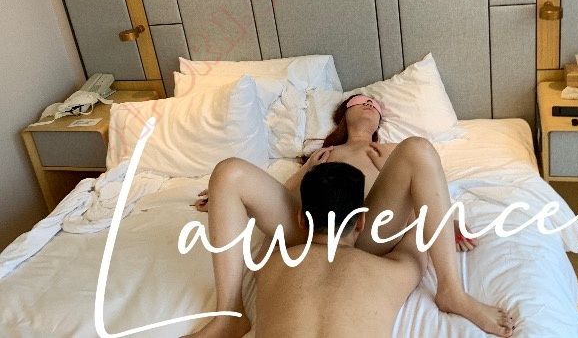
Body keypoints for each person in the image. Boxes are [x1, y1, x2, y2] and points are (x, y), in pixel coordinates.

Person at [185, 94, 515, 338]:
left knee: (420, 148)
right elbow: (283, 194)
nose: (368, 103)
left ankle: (452, 291)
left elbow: (427, 188)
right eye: (360, 100)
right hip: (312, 227)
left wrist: (445, 218)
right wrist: (229, 199)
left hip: (364, 230)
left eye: (375, 103)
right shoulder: (321, 153)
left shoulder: (392, 152)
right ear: (344, 113)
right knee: (227, 172)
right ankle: (228, 315)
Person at [255, 161, 427, 338]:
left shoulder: (267, 265)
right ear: (361, 222)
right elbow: (418, 235)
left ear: (301, 219)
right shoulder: (390, 272)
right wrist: (409, 207)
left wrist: (301, 173)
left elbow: (273, 229)